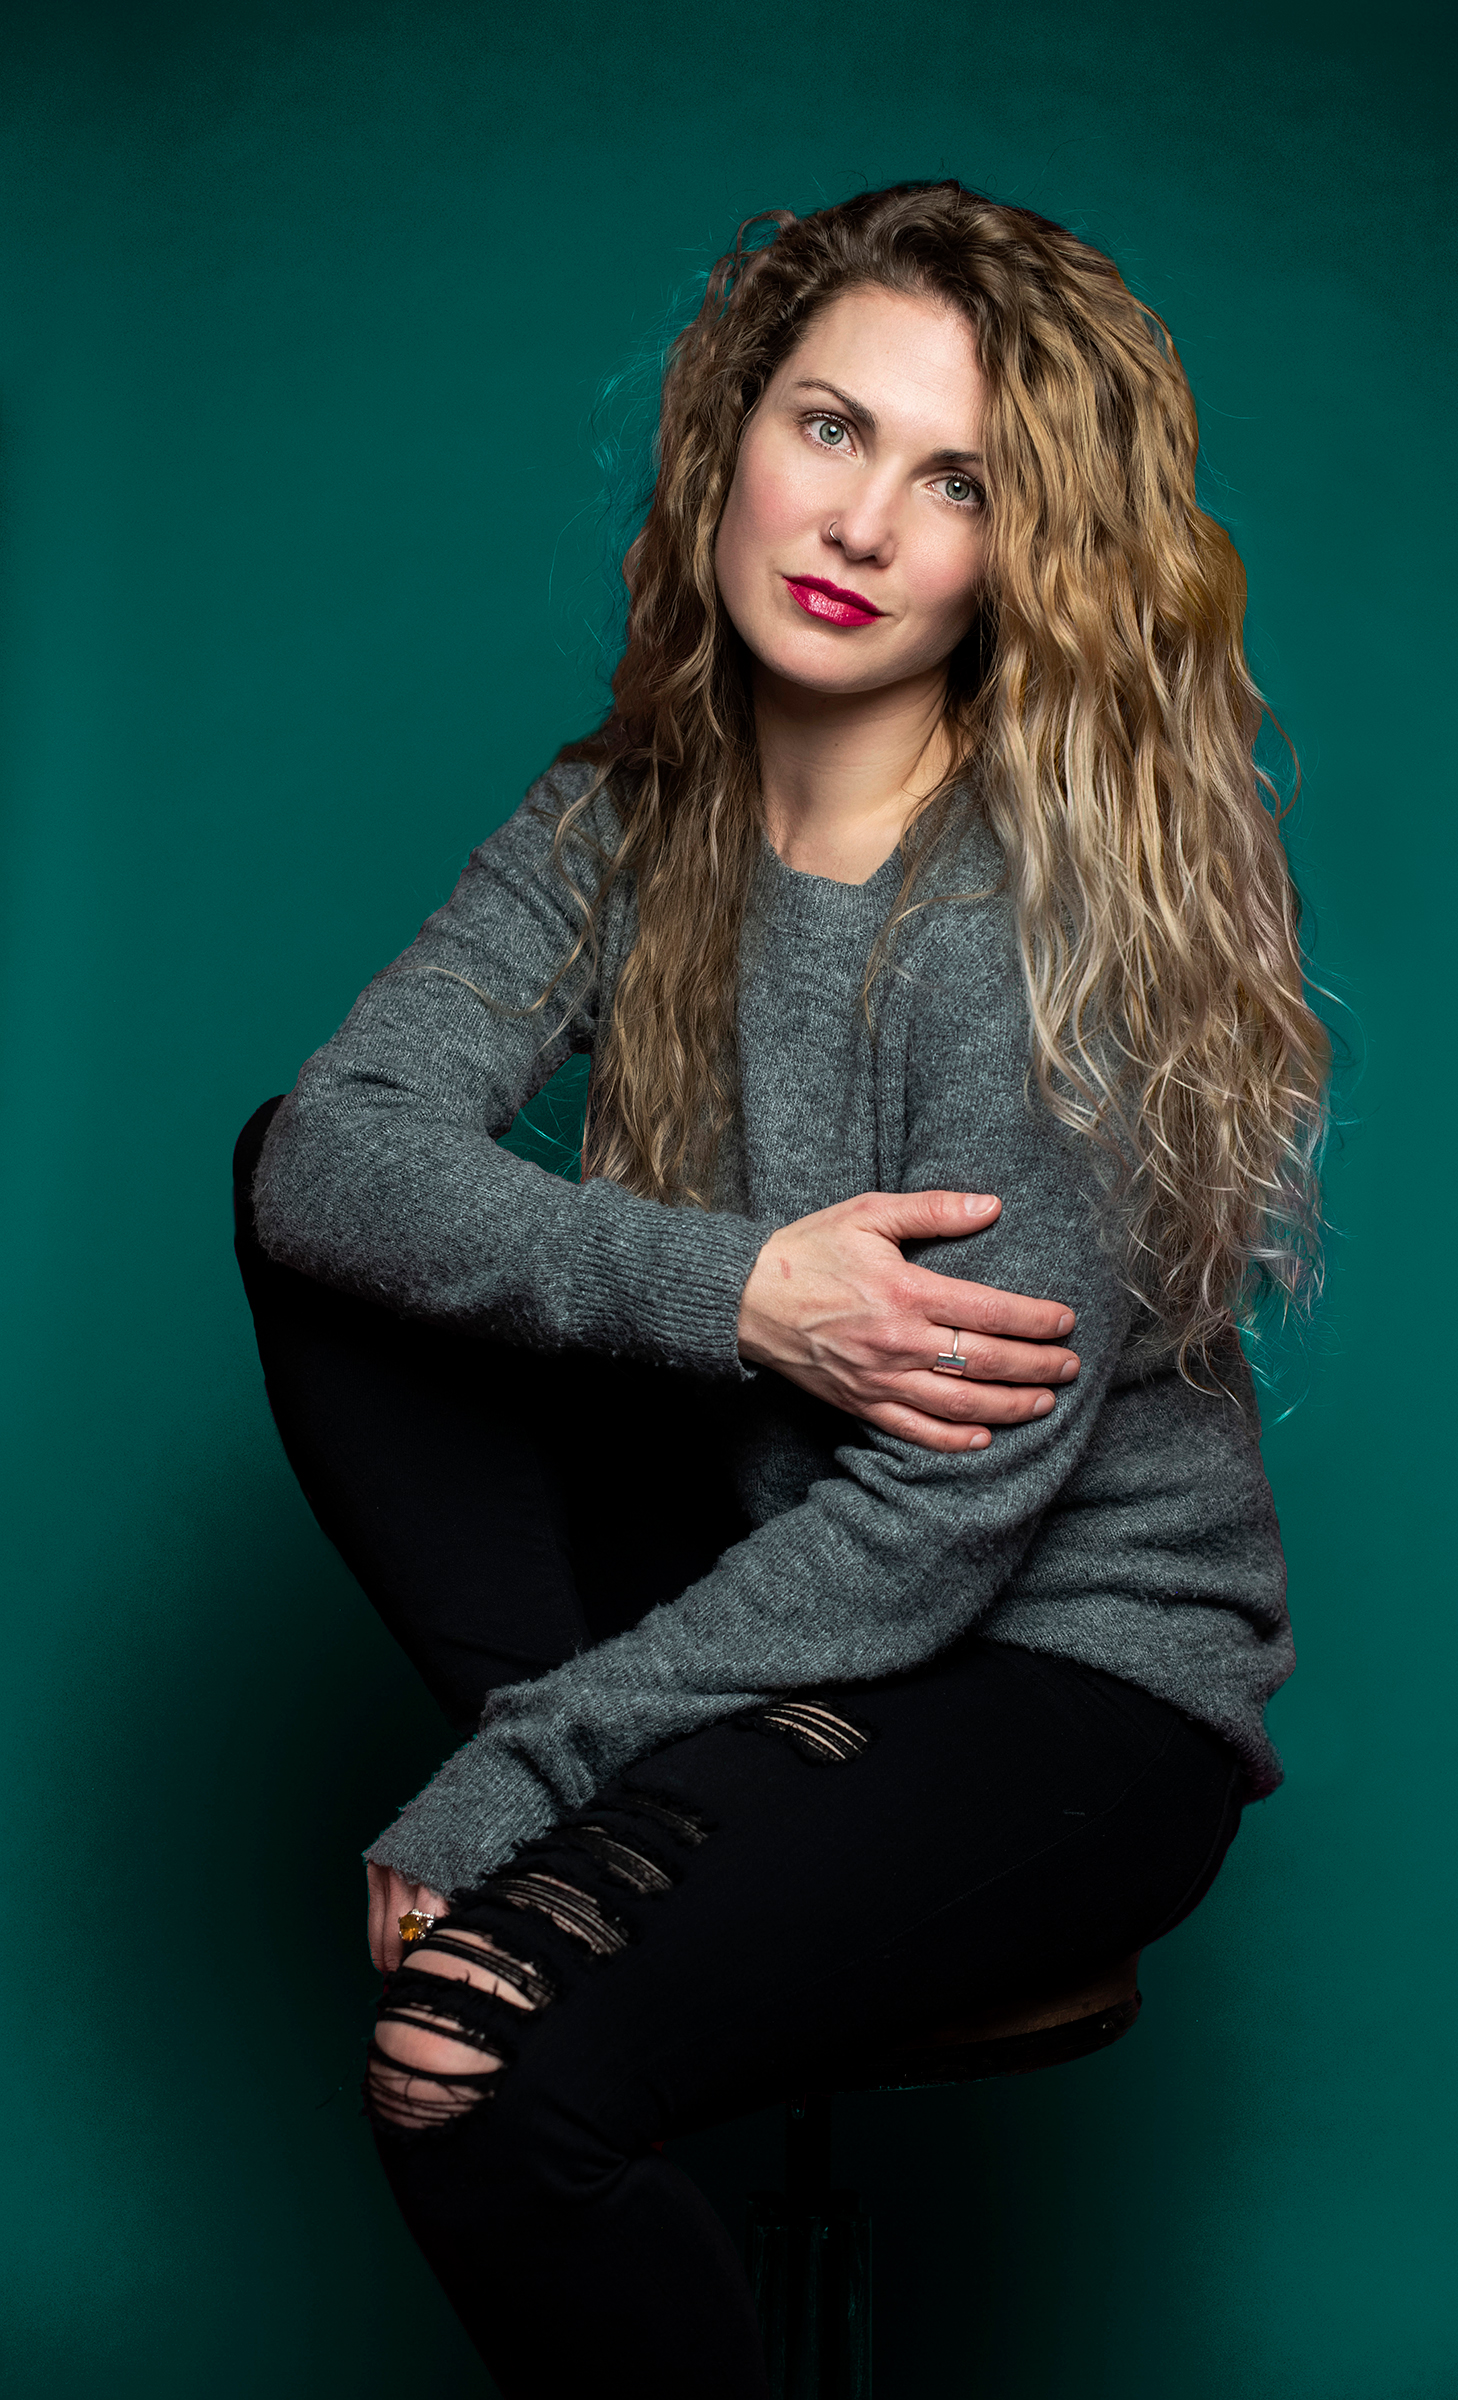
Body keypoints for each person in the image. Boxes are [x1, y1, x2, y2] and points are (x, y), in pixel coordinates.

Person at [235, 181, 1328, 2397]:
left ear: (1026, 558)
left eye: (960, 483)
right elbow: (330, 1164)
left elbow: (954, 1508)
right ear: (732, 429)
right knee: (308, 1201)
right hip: (762, 1591)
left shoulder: (1028, 914)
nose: (862, 522)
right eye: (828, 428)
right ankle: (635, 1799)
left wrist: (530, 1767)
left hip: (1054, 1683)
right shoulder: (619, 816)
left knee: (469, 2072)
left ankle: (603, 1811)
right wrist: (740, 1297)